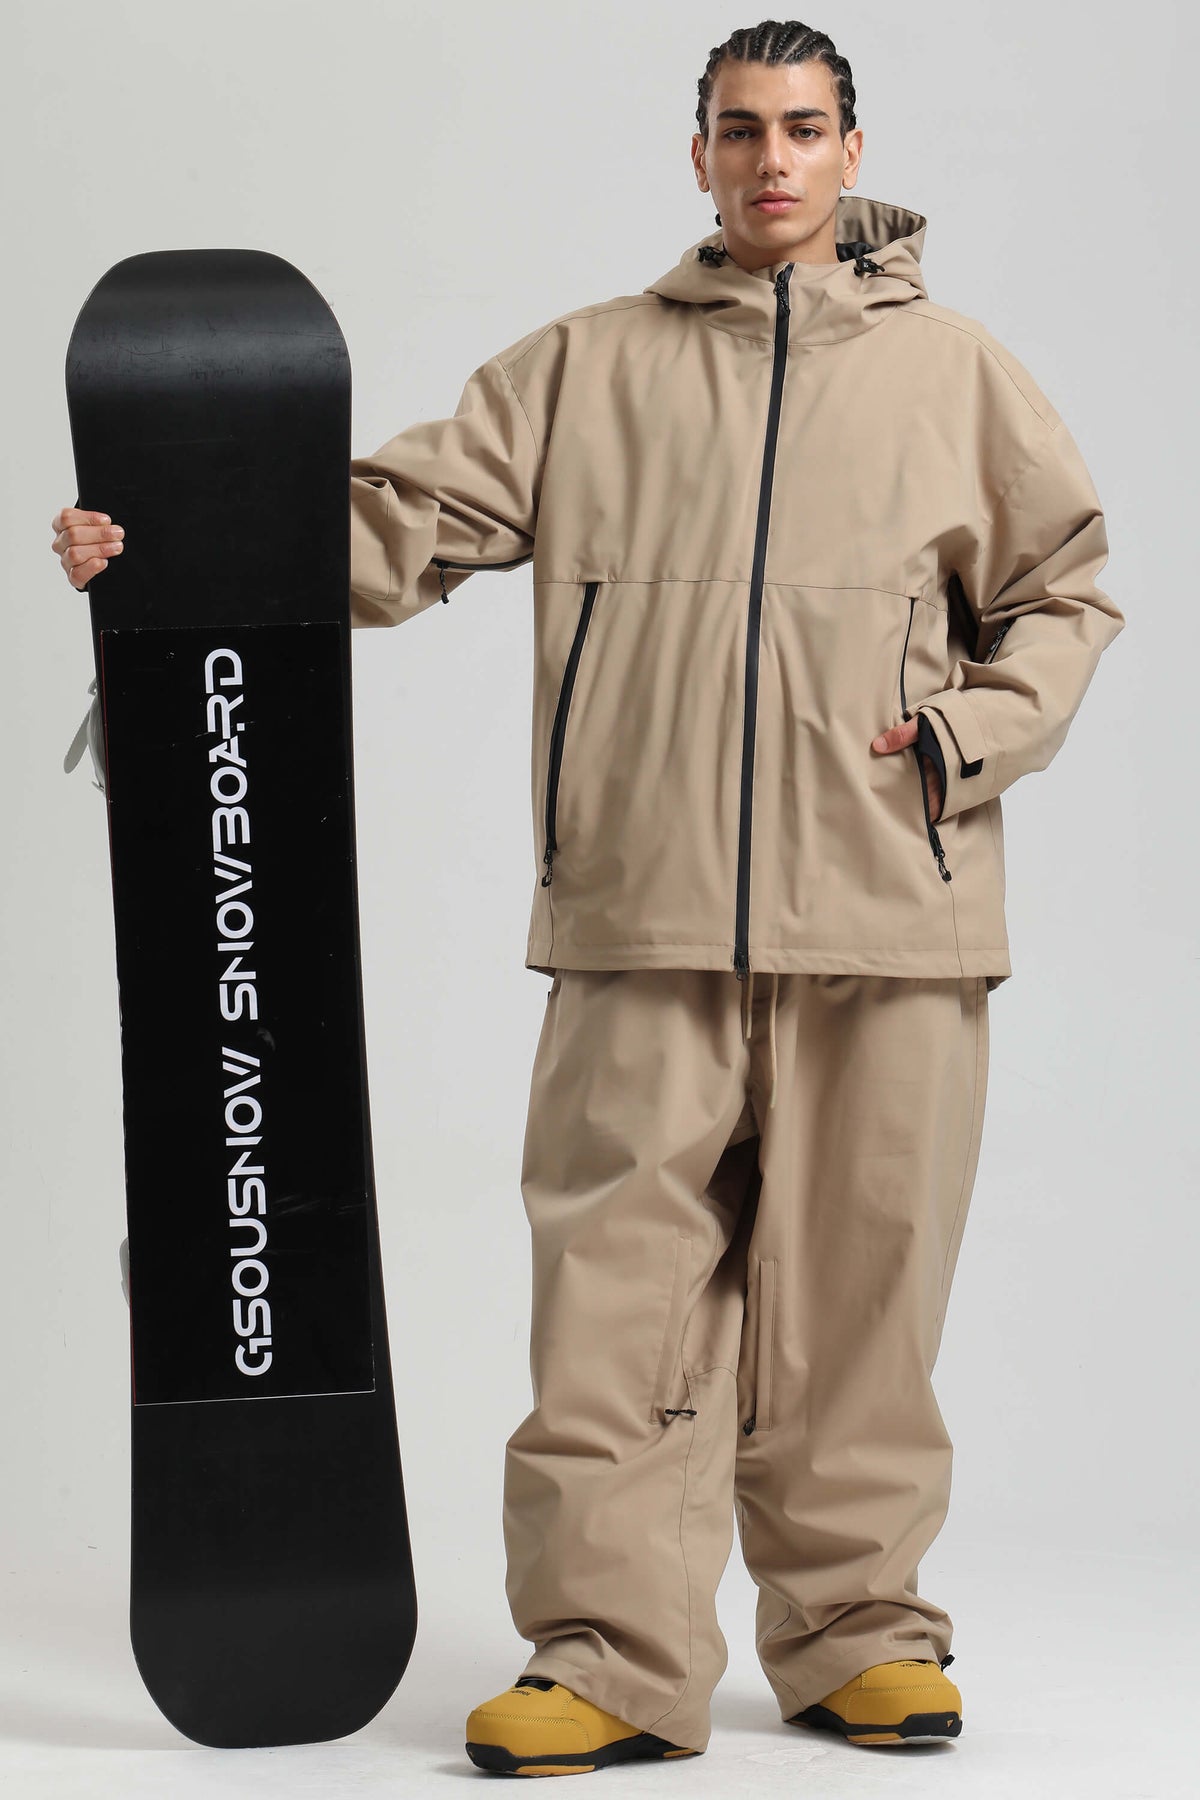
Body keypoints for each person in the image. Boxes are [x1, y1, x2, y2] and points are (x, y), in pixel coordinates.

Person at [52, 17, 1124, 1780]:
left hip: (891, 914)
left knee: (861, 1303)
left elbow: (1066, 594)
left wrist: (962, 740)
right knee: (618, 1306)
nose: (771, 160)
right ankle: (613, 1659)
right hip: (639, 914)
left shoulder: (961, 378)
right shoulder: (589, 366)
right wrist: (162, 540)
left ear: (854, 150)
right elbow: (393, 525)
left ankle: (860, 1635)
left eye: (802, 128)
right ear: (697, 154)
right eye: (739, 129)